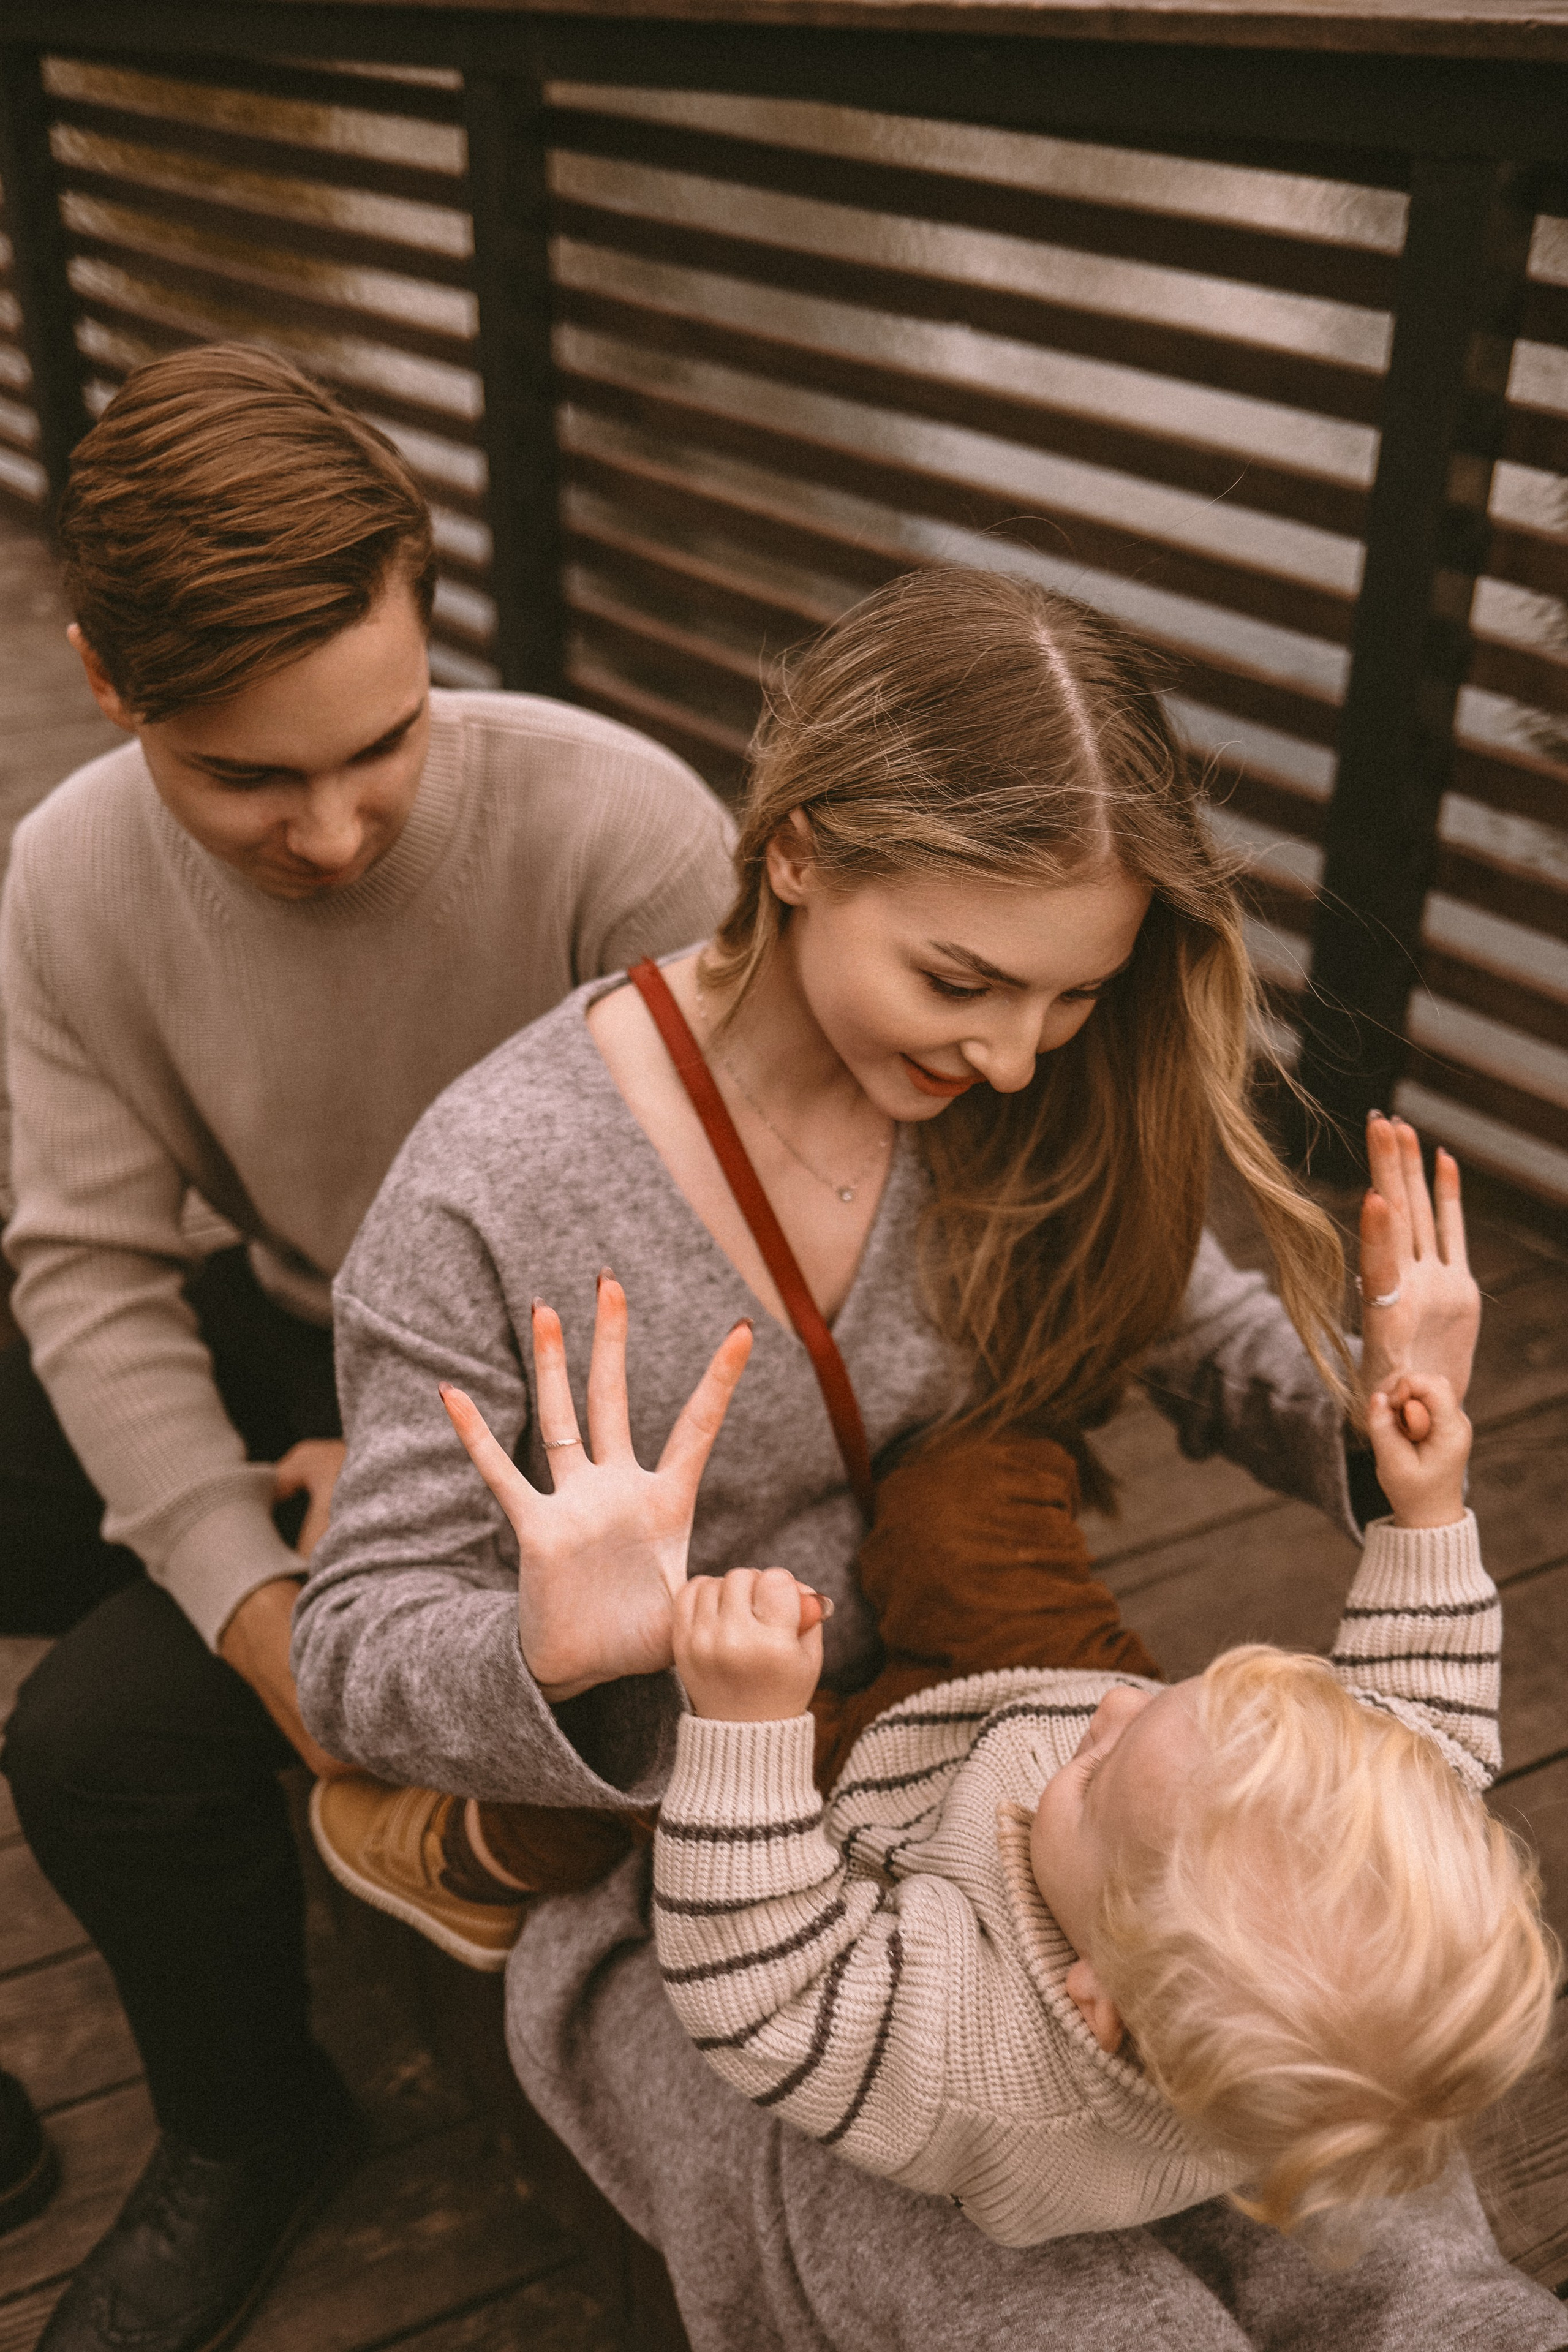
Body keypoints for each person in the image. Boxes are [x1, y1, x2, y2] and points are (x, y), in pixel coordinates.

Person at [295, 568, 1562, 2345]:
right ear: (796, 848)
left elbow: (1180, 1322)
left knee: (1367, 2152)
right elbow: (353, 1653)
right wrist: (555, 1649)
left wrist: (1374, 1413)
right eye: (962, 980)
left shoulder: (1032, 1082)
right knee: (1048, 2306)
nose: (1011, 1050)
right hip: (730, 1875)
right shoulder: (490, 1184)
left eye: (1067, 998)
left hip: (1051, 1764)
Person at [0, 341, 736, 2352]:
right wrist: (253, 1613)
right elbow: (82, 1269)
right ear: (101, 679)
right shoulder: (64, 879)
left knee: (93, 1751)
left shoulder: (630, 836)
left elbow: (756, 1277)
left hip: (570, 1397)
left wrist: (417, 1472)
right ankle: (241, 2109)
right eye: (247, 772)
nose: (333, 830)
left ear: (431, 618)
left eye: (381, 743)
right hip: (296, 1320)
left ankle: (242, 2128)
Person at [647, 1368, 1551, 2244]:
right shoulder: (1380, 1818)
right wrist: (1426, 1512)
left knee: (655, 1695)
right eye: (1167, 1702)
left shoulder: (972, 2066)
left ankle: (516, 1850)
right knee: (976, 1468)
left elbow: (772, 2001)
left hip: (861, 1814)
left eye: (1096, 1776)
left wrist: (745, 1727)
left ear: (1096, 1998)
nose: (1112, 1711)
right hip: (1033, 1673)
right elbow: (1429, 1716)